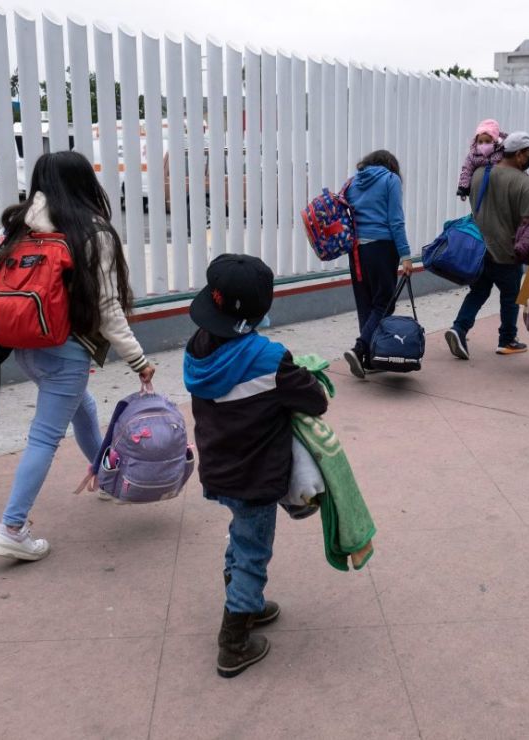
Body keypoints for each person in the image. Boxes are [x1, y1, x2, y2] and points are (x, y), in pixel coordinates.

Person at [0, 151, 154, 562]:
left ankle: (109, 477)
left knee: (83, 405)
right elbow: (109, 309)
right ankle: (12, 526)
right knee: (44, 436)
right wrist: (139, 361)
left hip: (26, 347)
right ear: (85, 183)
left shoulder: (17, 226)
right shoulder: (92, 232)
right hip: (66, 353)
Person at [183, 254, 329, 678]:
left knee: (241, 537)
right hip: (255, 478)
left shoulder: (198, 350)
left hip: (220, 472)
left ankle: (246, 602)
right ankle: (233, 642)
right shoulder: (269, 359)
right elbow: (314, 401)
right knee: (252, 552)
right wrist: (305, 375)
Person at [444, 131, 529, 360]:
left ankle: (459, 328)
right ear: (518, 154)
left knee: (478, 291)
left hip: (478, 249)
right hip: (507, 252)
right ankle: (507, 339)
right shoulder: (523, 182)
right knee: (510, 296)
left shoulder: (479, 174)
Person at [342, 150, 413, 379]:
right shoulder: (390, 180)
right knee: (384, 303)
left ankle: (368, 359)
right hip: (382, 247)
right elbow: (396, 220)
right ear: (391, 165)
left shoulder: (352, 182)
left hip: (356, 251)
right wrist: (405, 255)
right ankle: (360, 347)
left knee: (366, 303)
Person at [455, 119, 506, 200]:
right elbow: (466, 170)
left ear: (495, 141)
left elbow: (513, 164)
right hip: (482, 194)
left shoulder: (502, 152)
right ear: (476, 142)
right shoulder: (474, 155)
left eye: (487, 141)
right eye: (480, 142)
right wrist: (463, 187)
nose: (483, 145)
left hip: (500, 191)